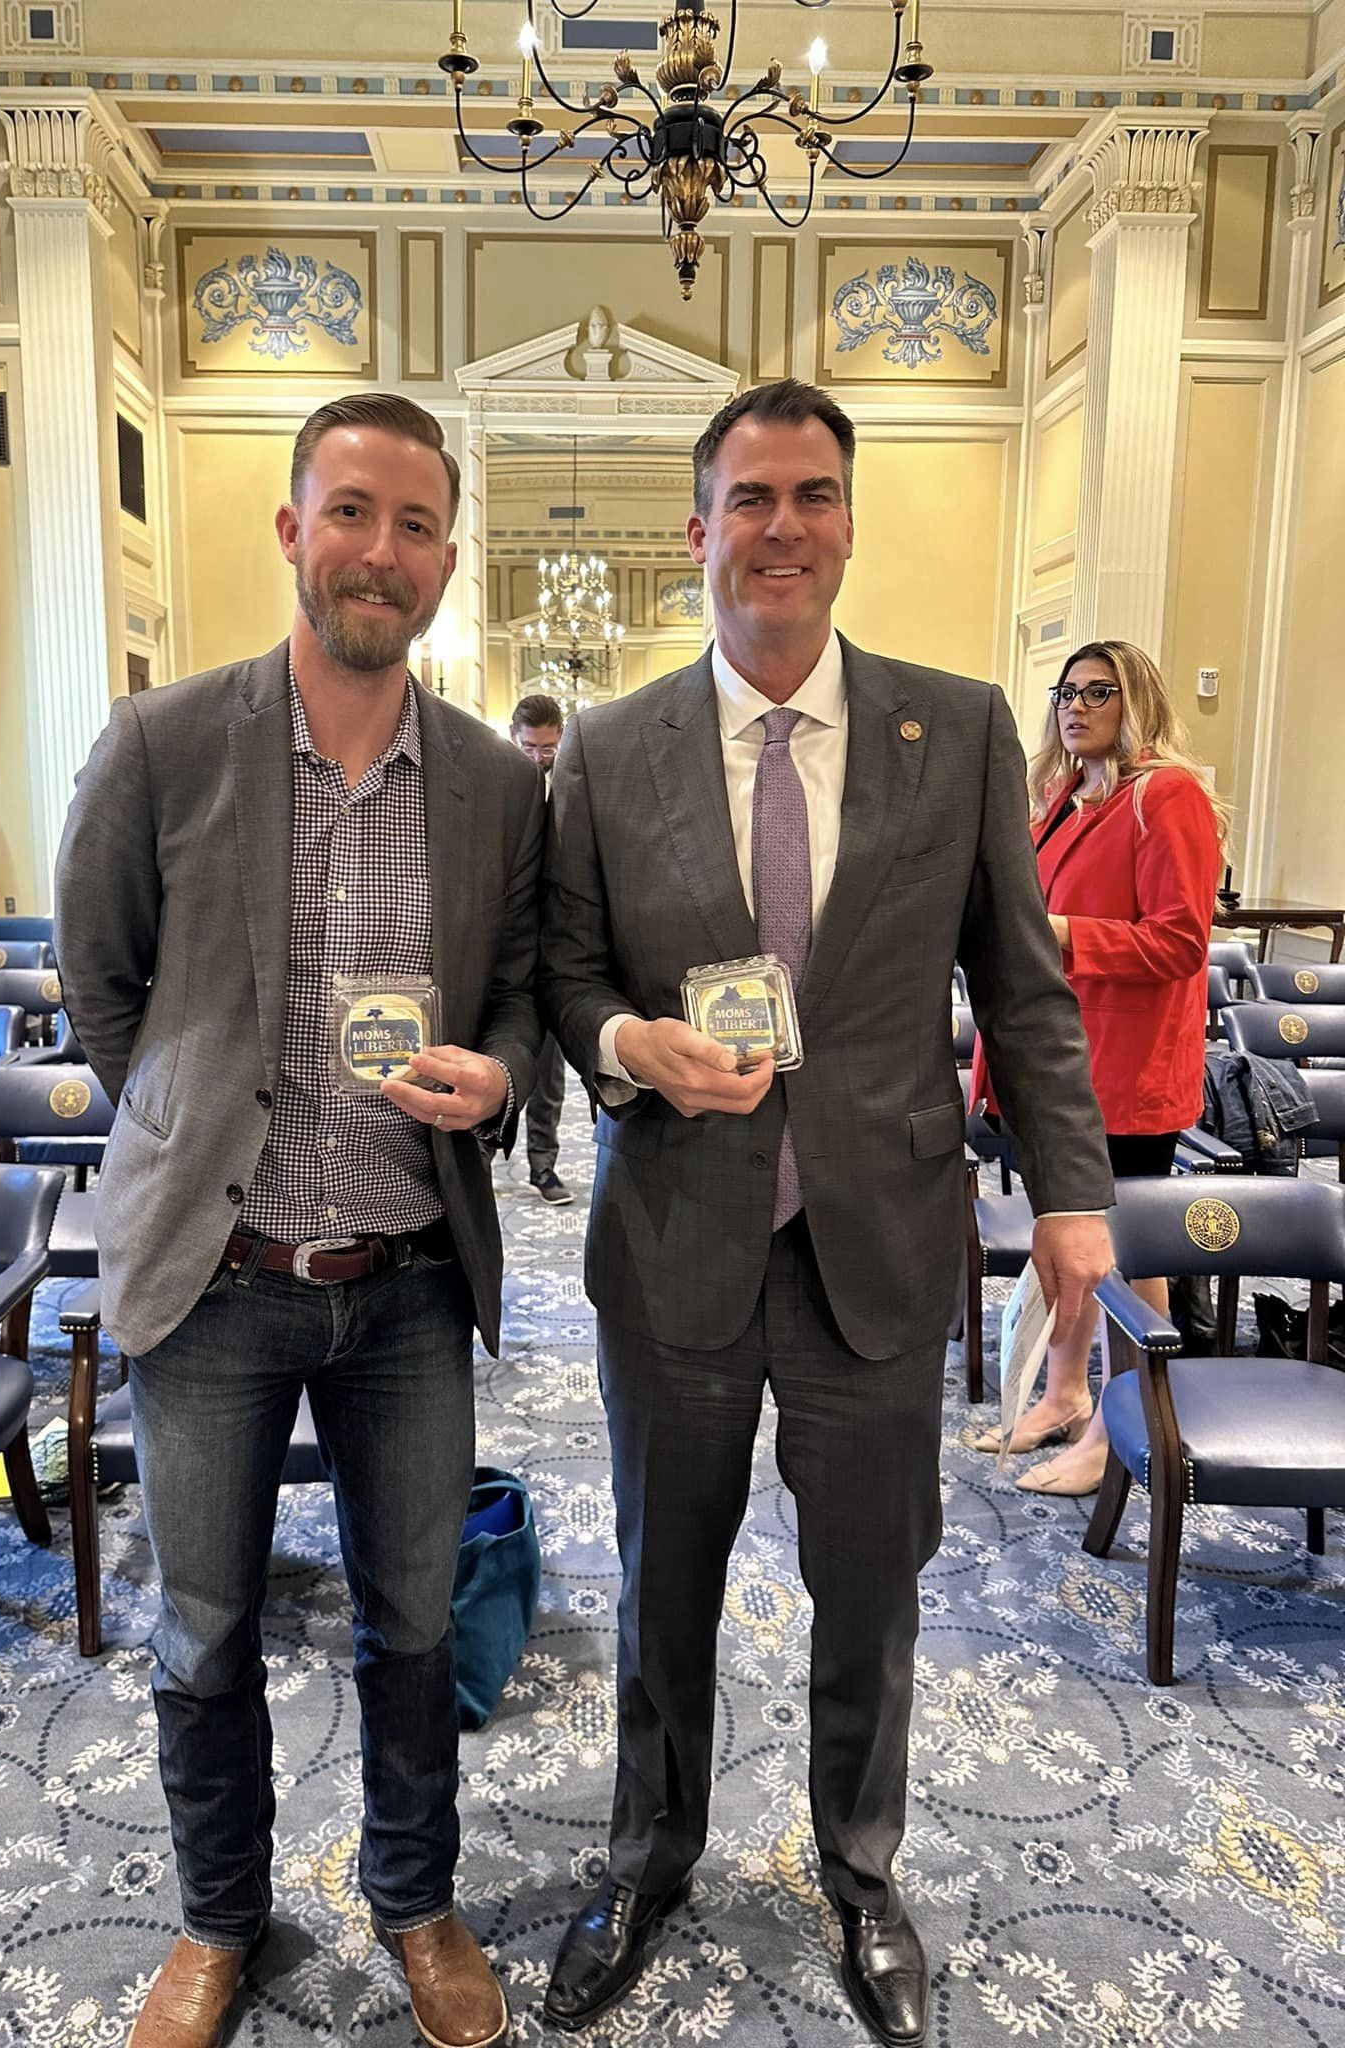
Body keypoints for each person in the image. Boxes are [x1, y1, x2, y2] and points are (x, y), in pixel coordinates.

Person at [537, 377, 1114, 2048]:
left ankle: (862, 1874)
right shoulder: (614, 748)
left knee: (873, 1587)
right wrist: (623, 1044)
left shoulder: (958, 727)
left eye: (811, 494)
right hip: (675, 1241)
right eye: (750, 497)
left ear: (848, 522)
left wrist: (1071, 1194)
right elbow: (565, 968)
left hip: (880, 1239)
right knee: (662, 1582)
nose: (780, 526)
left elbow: (1025, 986)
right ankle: (647, 1855)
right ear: (699, 529)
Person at [56, 392, 543, 2048]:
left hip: (406, 1283)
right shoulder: (164, 743)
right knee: (203, 1633)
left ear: (447, 561)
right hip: (217, 1279)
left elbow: (523, 994)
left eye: (414, 526)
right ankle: (218, 1918)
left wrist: (501, 1073)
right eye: (350, 513)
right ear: (291, 528)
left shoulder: (492, 784)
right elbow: (102, 986)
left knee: (414, 1625)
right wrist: (189, 1123)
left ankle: (415, 1899)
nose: (379, 553)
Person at [969, 639, 1224, 1495]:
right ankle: (1065, 1394)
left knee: (1122, 1254)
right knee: (1069, 1244)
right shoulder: (1066, 799)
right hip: (1062, 1063)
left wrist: (1064, 933)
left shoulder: (1167, 795)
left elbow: (1180, 943)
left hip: (1126, 1069)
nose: (1075, 706)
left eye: (1097, 691)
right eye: (1065, 692)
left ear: (1135, 698)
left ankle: (1125, 1426)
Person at [510, 691, 572, 1204]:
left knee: (548, 1074)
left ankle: (543, 1166)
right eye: (529, 747)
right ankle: (479, 1160)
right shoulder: (494, 787)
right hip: (503, 956)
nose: (538, 757)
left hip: (552, 954)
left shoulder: (574, 787)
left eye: (547, 748)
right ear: (514, 738)